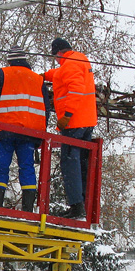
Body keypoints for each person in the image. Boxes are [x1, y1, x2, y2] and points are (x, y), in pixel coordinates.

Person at [0, 47, 48, 211]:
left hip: (5, 129)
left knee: (1, 166)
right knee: (27, 167)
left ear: (9, 60)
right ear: (25, 61)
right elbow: (46, 109)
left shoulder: (2, 74)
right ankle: (28, 208)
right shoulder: (38, 80)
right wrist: (40, 135)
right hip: (29, 133)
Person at [43, 37, 96, 219]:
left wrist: (67, 115)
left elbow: (76, 89)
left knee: (69, 164)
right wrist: (42, 76)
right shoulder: (79, 60)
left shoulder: (70, 64)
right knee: (81, 163)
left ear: (59, 53)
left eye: (55, 57)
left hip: (74, 122)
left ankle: (76, 207)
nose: (56, 61)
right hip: (87, 121)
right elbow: (58, 75)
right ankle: (81, 205)